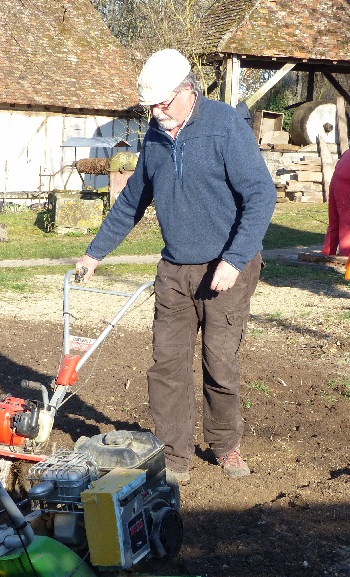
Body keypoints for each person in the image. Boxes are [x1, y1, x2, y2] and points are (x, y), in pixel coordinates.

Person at [75, 49, 276, 483]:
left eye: (163, 103)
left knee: (218, 362)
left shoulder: (224, 126)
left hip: (227, 268)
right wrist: (95, 253)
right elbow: (131, 201)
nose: (156, 112)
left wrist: (235, 259)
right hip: (175, 269)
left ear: (187, 91)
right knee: (167, 365)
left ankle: (225, 445)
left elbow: (261, 195)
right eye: (150, 106)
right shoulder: (155, 135)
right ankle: (173, 456)